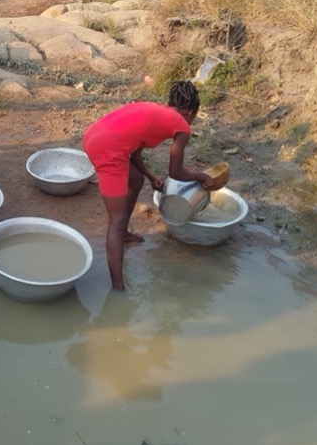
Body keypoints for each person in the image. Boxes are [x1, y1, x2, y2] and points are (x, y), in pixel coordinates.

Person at [81, 81, 222, 291]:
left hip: (94, 135)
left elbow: (135, 152)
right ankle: (118, 288)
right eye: (193, 116)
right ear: (191, 111)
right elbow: (176, 172)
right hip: (108, 148)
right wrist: (201, 176)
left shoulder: (157, 111)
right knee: (116, 221)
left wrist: (149, 176)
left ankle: (125, 235)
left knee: (135, 179)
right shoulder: (182, 126)